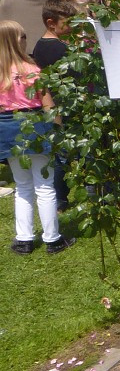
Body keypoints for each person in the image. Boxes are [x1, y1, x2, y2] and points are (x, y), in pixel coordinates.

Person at [0, 20, 72, 255]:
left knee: (22, 185)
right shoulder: (32, 70)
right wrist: (58, 129)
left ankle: (24, 239)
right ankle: (52, 238)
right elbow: (48, 103)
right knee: (44, 185)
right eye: (22, 36)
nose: (25, 39)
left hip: (7, 128)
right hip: (35, 125)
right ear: (14, 41)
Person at [31, 0, 77, 209]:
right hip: (62, 106)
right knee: (63, 156)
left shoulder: (44, 45)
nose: (72, 26)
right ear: (51, 23)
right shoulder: (54, 49)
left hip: (62, 106)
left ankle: (61, 196)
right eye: (68, 22)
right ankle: (60, 197)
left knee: (64, 155)